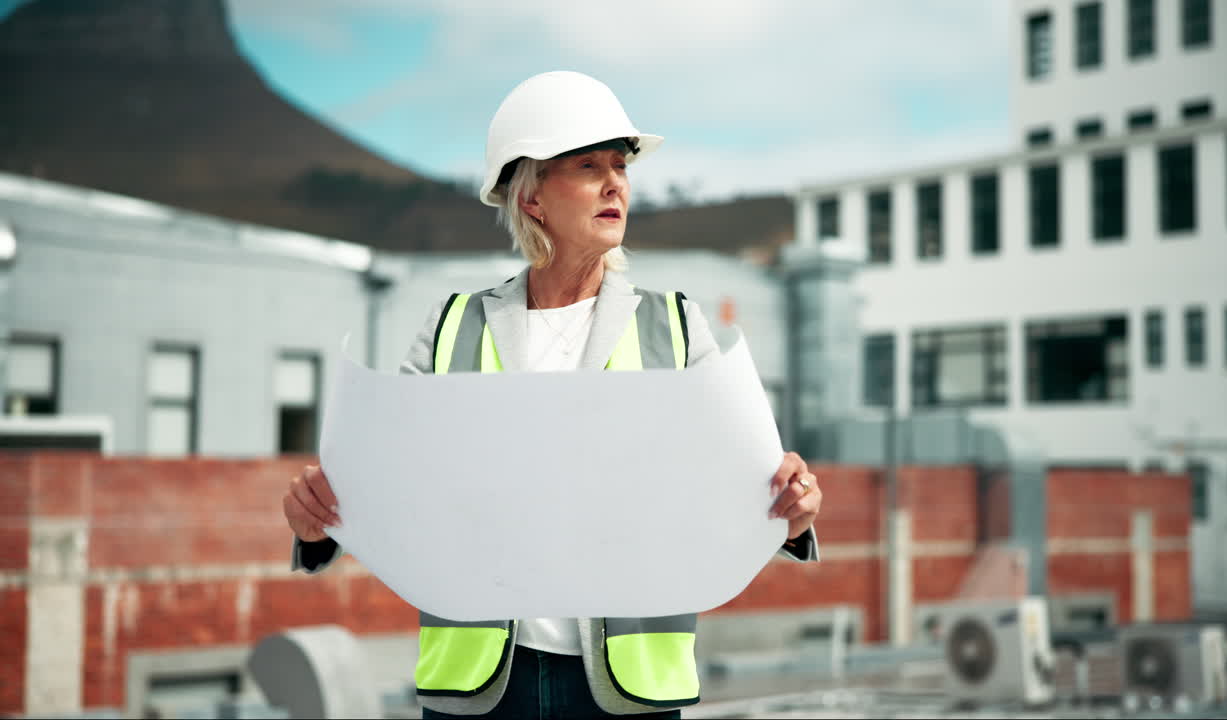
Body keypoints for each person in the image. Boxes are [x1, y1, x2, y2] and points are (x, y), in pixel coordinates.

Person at [281, 71, 823, 719]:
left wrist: (793, 512)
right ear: (532, 195)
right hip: (481, 689)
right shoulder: (453, 326)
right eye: (589, 165)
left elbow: (737, 481)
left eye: (620, 166)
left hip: (627, 689)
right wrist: (319, 531)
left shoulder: (676, 326)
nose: (615, 182)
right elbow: (392, 484)